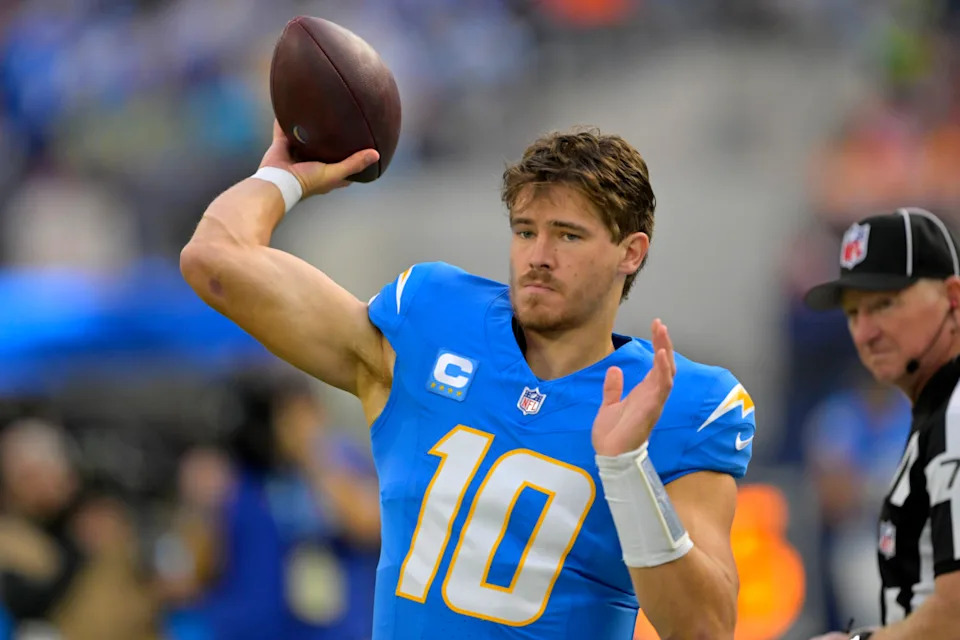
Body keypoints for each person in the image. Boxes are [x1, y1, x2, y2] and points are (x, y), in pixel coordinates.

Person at [180, 121, 757, 639]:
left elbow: (706, 629)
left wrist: (627, 471)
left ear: (630, 253)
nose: (539, 256)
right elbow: (215, 260)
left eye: (568, 235)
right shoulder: (433, 324)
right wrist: (281, 179)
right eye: (525, 230)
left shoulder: (678, 402)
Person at [804, 207, 960, 640]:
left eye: (885, 304)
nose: (865, 332)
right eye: (854, 314)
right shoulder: (933, 413)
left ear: (952, 298)